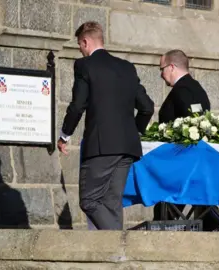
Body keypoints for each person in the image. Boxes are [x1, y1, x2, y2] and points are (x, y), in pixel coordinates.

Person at [58, 21, 154, 230]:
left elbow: (77, 106)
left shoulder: (85, 66)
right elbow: (147, 107)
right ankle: (114, 258)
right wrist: (133, 130)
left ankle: (121, 244)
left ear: (85, 42)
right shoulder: (127, 68)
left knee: (90, 200)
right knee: (111, 204)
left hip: (102, 147)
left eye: (80, 46)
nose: (81, 51)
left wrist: (65, 135)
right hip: (128, 147)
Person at [154, 49, 219, 231]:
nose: (161, 74)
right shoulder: (197, 88)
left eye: (161, 69)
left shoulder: (181, 91)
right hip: (195, 164)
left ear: (171, 67)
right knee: (199, 206)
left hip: (180, 163)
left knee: (167, 210)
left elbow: (189, 123)